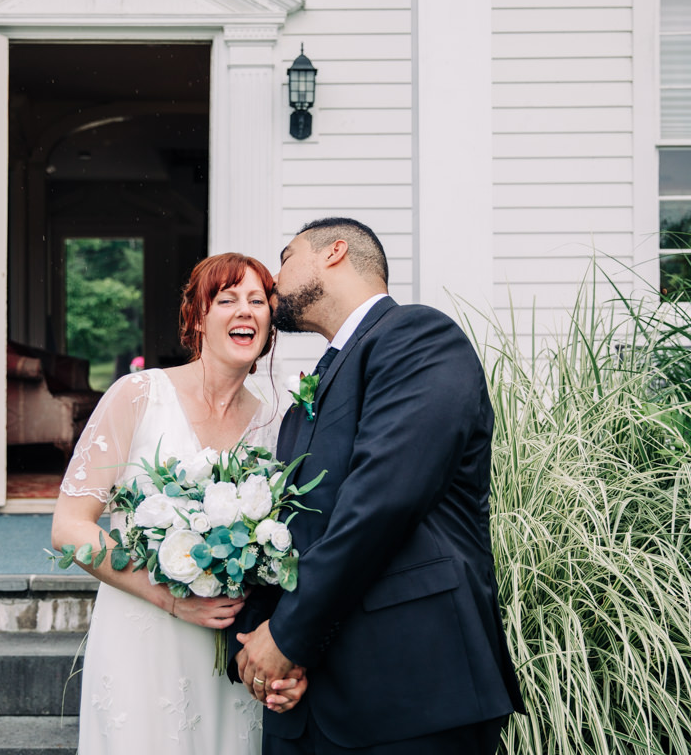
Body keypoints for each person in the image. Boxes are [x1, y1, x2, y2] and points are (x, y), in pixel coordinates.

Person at [230, 218, 526, 754]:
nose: (275, 279)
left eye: (286, 256)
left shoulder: (417, 338)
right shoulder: (305, 402)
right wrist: (259, 640)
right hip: (305, 697)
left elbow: (383, 501)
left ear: (334, 252)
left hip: (411, 688)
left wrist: (286, 635)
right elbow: (285, 530)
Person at [52, 252, 306, 755]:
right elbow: (69, 529)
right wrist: (170, 597)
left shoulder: (279, 424)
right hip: (143, 638)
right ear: (198, 318)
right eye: (227, 299)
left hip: (229, 651)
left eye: (258, 301)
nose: (245, 311)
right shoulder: (138, 396)